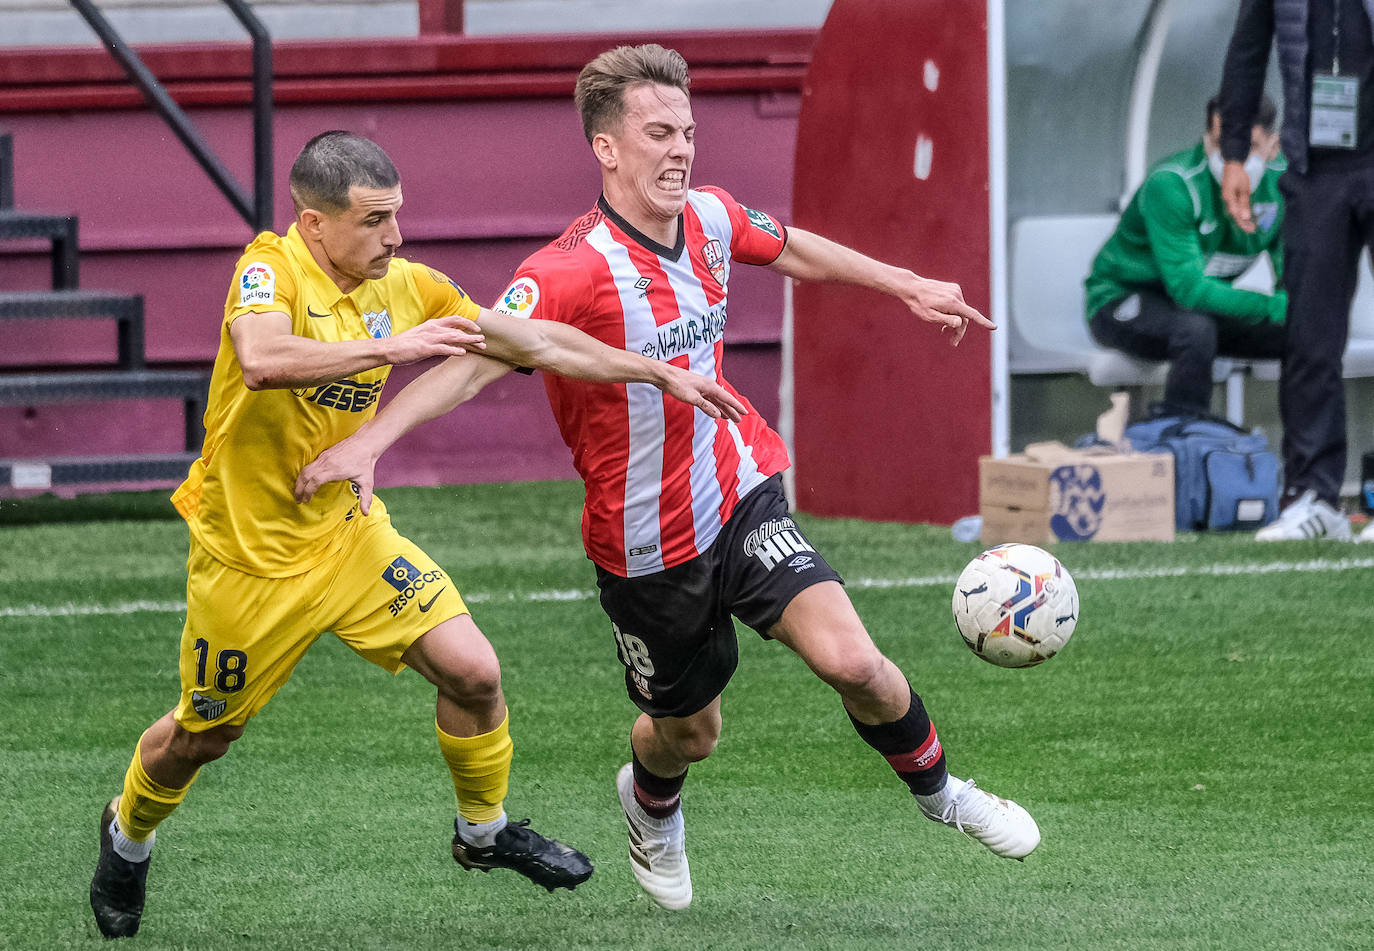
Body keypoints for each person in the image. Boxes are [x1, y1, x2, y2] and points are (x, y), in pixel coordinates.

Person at [295, 45, 1038, 912]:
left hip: (739, 487)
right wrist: (370, 443)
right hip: (643, 544)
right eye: (658, 133)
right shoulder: (566, 270)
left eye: (687, 130)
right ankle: (651, 803)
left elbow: (792, 247)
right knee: (689, 733)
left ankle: (946, 795)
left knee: (857, 662)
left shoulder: (713, 218)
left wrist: (908, 284)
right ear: (607, 149)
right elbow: (474, 359)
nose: (681, 148)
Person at [88, 130, 748, 939]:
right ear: (315, 222)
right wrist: (389, 347)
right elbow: (259, 357)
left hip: (350, 537)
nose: (394, 237)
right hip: (249, 561)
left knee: (474, 672)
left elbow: (530, 340)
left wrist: (653, 369)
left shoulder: (407, 282)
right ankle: (127, 834)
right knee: (204, 735)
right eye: (373, 221)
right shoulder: (270, 268)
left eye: (397, 216)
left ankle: (483, 833)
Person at [1219, 0, 1370, 541]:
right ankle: (1316, 497)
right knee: (1309, 338)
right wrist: (1235, 152)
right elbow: (1247, 50)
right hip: (1314, 172)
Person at [1085, 94, 1287, 418]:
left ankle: (1310, 452)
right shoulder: (1173, 184)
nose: (1232, 159)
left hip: (1201, 310)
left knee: (1307, 332)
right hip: (1121, 300)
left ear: (1272, 147)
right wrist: (1272, 306)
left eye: (1246, 146)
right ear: (1206, 139)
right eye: (1222, 144)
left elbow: (1295, 271)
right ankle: (1184, 443)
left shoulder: (1283, 183)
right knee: (1195, 332)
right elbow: (1189, 290)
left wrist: (1299, 309)